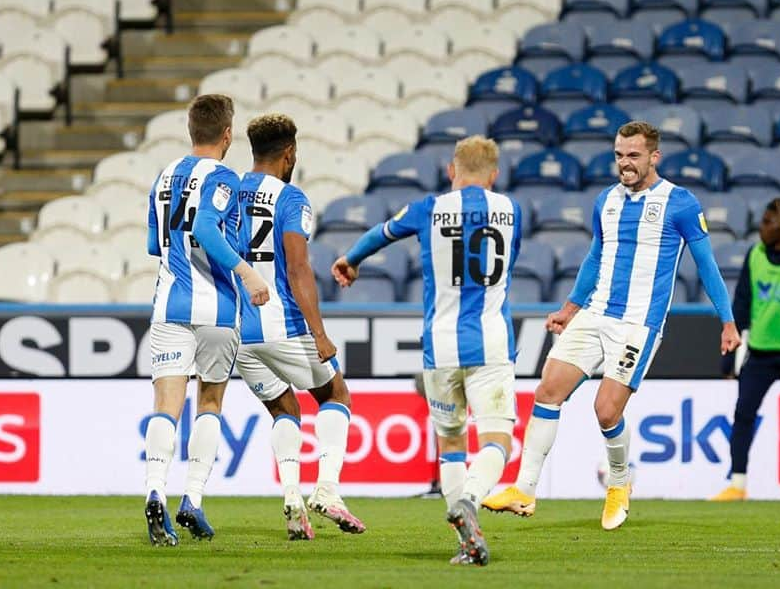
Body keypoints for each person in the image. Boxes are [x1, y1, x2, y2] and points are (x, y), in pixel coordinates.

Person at [482, 121, 741, 530]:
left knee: (606, 410)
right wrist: (569, 309)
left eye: (634, 155)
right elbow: (594, 259)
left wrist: (726, 321)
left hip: (639, 324)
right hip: (595, 312)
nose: (625, 163)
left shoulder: (681, 203)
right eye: (619, 154)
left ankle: (619, 485)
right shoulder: (606, 201)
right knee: (548, 389)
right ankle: (524, 489)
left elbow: (706, 265)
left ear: (654, 157)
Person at [331, 135, 521, 566]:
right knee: (497, 440)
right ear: (495, 175)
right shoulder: (511, 211)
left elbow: (382, 233)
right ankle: (471, 500)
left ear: (451, 171)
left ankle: (465, 542)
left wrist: (351, 260)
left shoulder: (428, 209)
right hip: (491, 343)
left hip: (440, 345)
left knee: (451, 444)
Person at [143, 94, 271, 546]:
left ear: (190, 129)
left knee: (166, 406)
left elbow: (155, 247)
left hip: (170, 306)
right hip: (217, 308)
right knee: (211, 402)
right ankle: (192, 498)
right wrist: (247, 271)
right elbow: (205, 229)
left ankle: (154, 489)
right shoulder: (225, 177)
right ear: (228, 134)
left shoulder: (163, 177)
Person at [232, 113, 365, 538]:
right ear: (289, 154)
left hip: (237, 330)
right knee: (335, 393)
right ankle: (327, 490)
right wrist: (319, 333)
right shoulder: (290, 198)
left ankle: (292, 495)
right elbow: (298, 268)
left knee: (285, 409)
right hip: (281, 323)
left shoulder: (227, 191)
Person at [711, 198, 780, 501]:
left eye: (769, 221)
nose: (761, 227)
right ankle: (738, 485)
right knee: (743, 414)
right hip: (762, 348)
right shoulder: (755, 255)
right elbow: (741, 303)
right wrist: (728, 357)